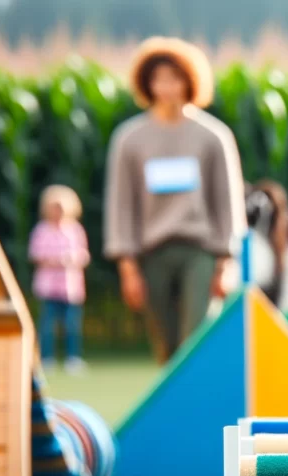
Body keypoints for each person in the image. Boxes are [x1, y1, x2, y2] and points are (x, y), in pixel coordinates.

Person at [104, 36, 245, 363]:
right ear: (147, 84)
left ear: (190, 81)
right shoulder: (129, 139)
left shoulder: (213, 136)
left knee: (195, 342)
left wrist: (224, 263)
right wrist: (128, 268)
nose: (166, 87)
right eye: (159, 79)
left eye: (174, 78)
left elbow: (227, 203)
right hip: (151, 253)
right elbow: (121, 205)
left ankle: (200, 409)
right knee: (165, 349)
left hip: (200, 251)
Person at [30, 184, 91, 374]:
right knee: (47, 325)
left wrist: (72, 259)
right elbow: (35, 255)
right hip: (48, 287)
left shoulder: (75, 230)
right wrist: (57, 260)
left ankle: (73, 358)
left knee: (72, 325)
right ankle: (46, 358)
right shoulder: (42, 230)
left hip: (70, 288)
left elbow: (83, 255)